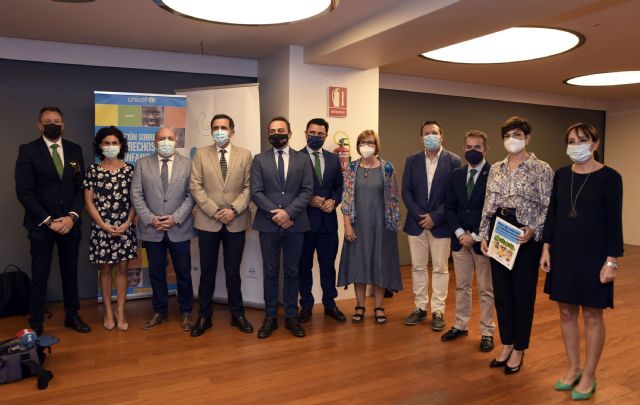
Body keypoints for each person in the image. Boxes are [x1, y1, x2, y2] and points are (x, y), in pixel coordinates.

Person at [540, 123, 623, 400]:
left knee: (591, 315)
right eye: (572, 141)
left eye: (582, 140)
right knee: (566, 313)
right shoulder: (561, 175)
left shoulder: (610, 177)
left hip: (594, 255)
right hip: (563, 252)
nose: (576, 145)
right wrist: (546, 247)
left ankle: (589, 374)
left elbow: (614, 222)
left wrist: (611, 261)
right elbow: (553, 213)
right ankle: (573, 367)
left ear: (595, 143)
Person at [479, 116, 553, 374]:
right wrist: (484, 234)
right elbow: (488, 203)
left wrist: (534, 229)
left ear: (527, 138)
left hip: (524, 236)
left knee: (522, 295)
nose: (512, 140)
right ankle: (507, 343)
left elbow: (548, 207)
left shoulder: (541, 168)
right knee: (502, 294)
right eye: (508, 135)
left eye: (518, 135)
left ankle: (520, 347)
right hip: (500, 231)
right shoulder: (496, 168)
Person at [15, 106, 90, 335]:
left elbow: (81, 187)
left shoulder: (74, 149)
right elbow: (24, 191)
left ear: (63, 125)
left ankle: (72, 315)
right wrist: (49, 220)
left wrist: (72, 216)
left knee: (70, 271)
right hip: (41, 225)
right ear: (40, 125)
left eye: (57, 121)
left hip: (69, 224)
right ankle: (36, 321)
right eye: (47, 121)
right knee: (40, 274)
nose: (53, 124)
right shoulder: (28, 150)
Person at [190, 114, 254, 336]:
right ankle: (204, 316)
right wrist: (215, 211)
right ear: (211, 131)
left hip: (236, 221)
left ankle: (237, 315)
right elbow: (195, 186)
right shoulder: (201, 154)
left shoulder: (245, 155)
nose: (219, 131)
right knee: (207, 272)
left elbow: (249, 187)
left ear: (232, 131)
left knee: (233, 272)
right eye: (215, 127)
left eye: (224, 127)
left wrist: (233, 210)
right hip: (208, 221)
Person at [250, 116, 313, 338]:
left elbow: (307, 190)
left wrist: (289, 213)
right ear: (268, 134)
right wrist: (276, 214)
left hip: (296, 224)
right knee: (270, 272)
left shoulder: (303, 159)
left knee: (292, 271)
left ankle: (291, 317)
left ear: (290, 133)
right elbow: (256, 191)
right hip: (268, 225)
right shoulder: (259, 159)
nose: (277, 134)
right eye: (273, 130)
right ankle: (270, 318)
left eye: (281, 130)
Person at [131, 127, 195, 332]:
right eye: (161, 138)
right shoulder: (142, 164)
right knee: (156, 273)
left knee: (183, 272)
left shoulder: (188, 164)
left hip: (180, 228)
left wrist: (175, 218)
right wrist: (151, 219)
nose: (166, 142)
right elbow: (136, 195)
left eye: (170, 138)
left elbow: (191, 195)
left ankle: (186, 312)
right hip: (152, 229)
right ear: (154, 142)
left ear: (176, 141)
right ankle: (160, 311)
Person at [402, 120, 463, 331]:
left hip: (441, 225)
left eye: (434, 133)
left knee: (440, 269)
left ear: (441, 135)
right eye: (426, 133)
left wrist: (435, 217)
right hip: (416, 223)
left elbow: (455, 195)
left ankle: (438, 310)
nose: (430, 136)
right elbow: (406, 191)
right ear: (421, 137)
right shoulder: (412, 160)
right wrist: (421, 215)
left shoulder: (454, 161)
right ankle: (420, 307)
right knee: (418, 267)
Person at [338, 130, 402, 324]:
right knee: (359, 264)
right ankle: (359, 306)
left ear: (376, 146)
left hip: (382, 225)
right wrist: (347, 226)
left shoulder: (387, 168)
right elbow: (346, 199)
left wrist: (394, 224)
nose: (367, 146)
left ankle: (379, 307)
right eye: (363, 142)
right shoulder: (351, 168)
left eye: (371, 143)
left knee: (380, 264)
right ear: (358, 145)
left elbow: (394, 198)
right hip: (358, 224)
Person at [442, 130, 495, 352]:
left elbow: (492, 211)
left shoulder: (494, 174)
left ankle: (487, 332)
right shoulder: (456, 175)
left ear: (486, 149)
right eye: (469, 147)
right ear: (464, 148)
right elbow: (450, 207)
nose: (472, 151)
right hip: (459, 240)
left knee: (486, 289)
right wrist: (459, 233)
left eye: (477, 147)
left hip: (482, 242)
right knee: (462, 286)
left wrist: (474, 236)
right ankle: (461, 325)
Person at [84, 126, 137, 331]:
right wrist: (103, 225)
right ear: (99, 145)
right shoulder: (93, 170)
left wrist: (128, 222)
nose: (110, 146)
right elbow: (88, 202)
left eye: (114, 142)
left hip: (124, 228)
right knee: (105, 269)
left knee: (122, 269)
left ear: (121, 145)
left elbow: (135, 200)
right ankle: (108, 310)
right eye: (106, 143)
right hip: (101, 229)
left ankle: (120, 311)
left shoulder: (130, 170)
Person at [297, 118, 346, 324]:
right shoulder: (296, 158)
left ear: (325, 136)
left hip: (328, 223)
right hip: (303, 223)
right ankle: (306, 305)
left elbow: (340, 187)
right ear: (305, 133)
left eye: (320, 134)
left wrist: (334, 201)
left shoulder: (333, 159)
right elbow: (290, 189)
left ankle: (329, 304)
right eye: (312, 133)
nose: (316, 136)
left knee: (328, 266)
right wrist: (308, 200)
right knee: (303, 267)